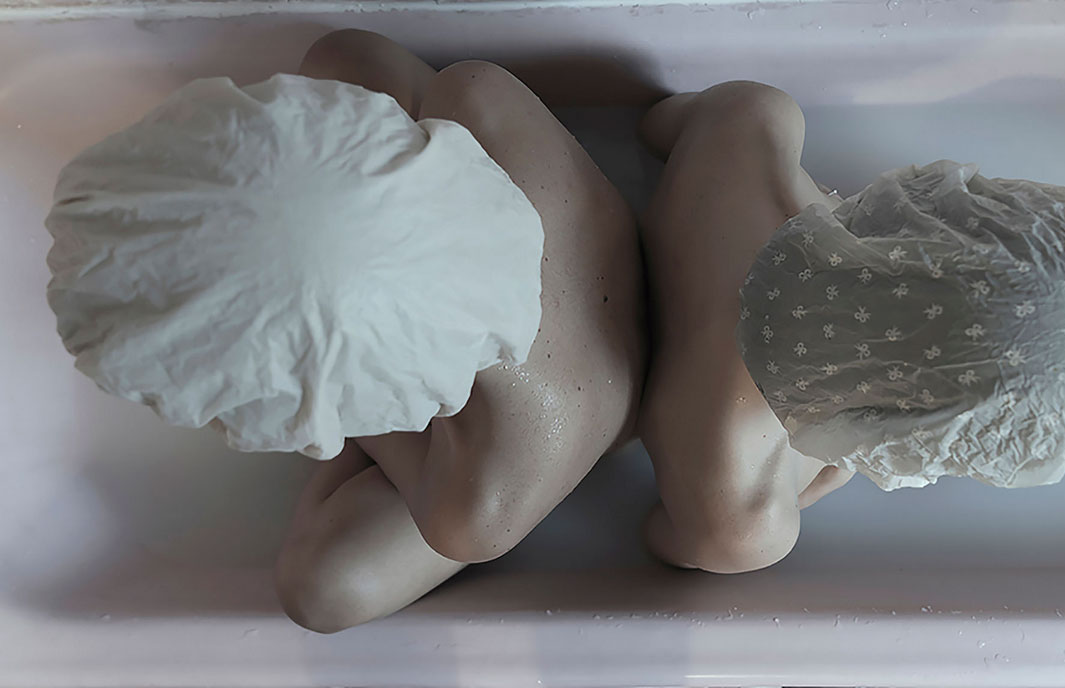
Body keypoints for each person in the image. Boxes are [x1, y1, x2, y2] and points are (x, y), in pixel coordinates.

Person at [43, 29, 646, 633]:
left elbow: (350, 420)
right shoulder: (479, 95)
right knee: (343, 56)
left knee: (323, 591)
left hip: (569, 431)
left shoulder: (477, 503)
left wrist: (324, 401)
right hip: (568, 239)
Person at [636, 82, 1065, 574]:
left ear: (934, 205)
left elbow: (652, 125)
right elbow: (661, 537)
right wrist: (812, 480)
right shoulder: (748, 519)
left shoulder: (750, 128)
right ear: (912, 443)